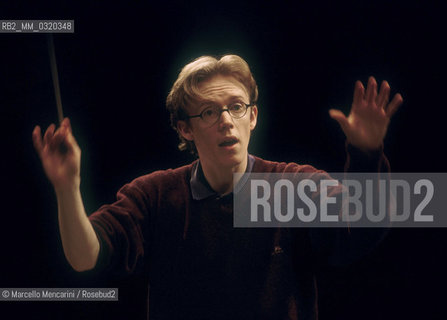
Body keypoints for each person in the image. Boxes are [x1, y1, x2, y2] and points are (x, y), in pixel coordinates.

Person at [32, 55, 403, 319]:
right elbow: (85, 257)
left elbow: (361, 229)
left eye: (236, 107)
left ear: (253, 116)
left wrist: (367, 153)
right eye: (209, 112)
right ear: (185, 129)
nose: (226, 121)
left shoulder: (290, 186)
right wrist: (68, 188)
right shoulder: (155, 196)